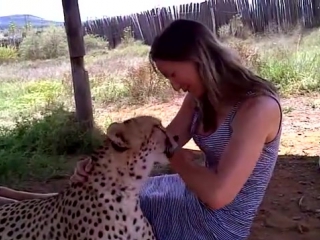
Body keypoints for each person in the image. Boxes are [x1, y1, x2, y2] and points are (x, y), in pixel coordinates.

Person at [0, 19, 282, 240]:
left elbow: (218, 195)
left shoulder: (257, 109)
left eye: (173, 73)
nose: (173, 85)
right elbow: (166, 139)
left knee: (110, 209)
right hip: (189, 190)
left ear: (200, 58)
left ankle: (26, 202)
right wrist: (101, 165)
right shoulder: (200, 97)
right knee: (107, 190)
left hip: (216, 223)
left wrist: (176, 158)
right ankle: (23, 199)